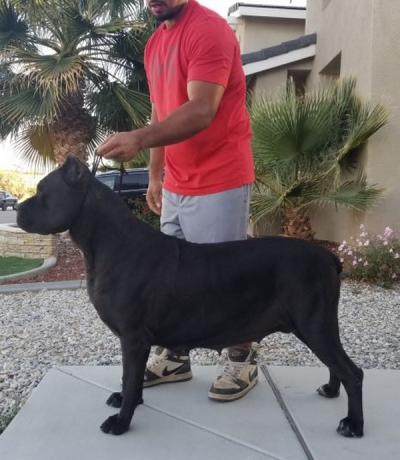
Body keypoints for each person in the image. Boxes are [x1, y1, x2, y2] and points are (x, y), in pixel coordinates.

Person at [97, 0, 257, 401]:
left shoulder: (208, 30)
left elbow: (202, 110)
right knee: (171, 279)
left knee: (224, 277)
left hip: (220, 178)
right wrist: (156, 174)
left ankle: (241, 357)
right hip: (178, 182)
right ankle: (176, 356)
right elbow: (160, 111)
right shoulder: (155, 44)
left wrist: (138, 139)